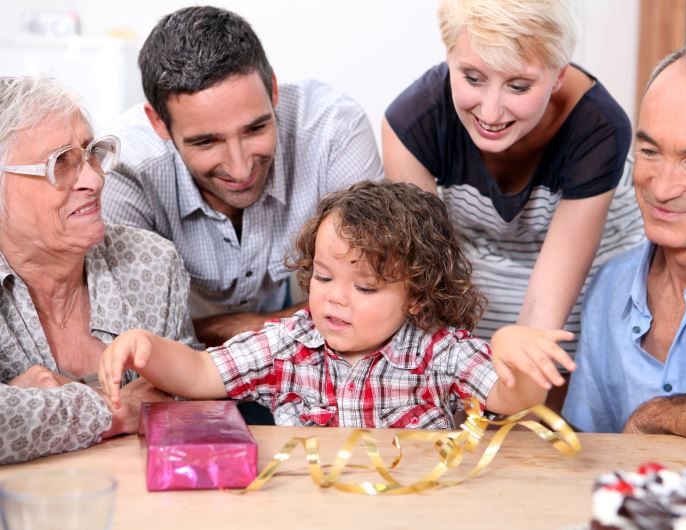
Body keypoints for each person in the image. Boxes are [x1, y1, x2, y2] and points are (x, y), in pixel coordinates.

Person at [99, 181, 570, 427]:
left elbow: (510, 400)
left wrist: (513, 351)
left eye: (365, 288)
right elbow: (200, 375)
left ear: (416, 296)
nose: (335, 297)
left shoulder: (439, 353)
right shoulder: (289, 343)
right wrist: (147, 348)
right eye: (323, 276)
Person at [382, 0, 644, 406]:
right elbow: (432, 290)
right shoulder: (412, 122)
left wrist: (516, 383)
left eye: (518, 87)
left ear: (558, 75)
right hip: (477, 270)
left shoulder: (600, 130)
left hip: (583, 275)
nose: (490, 111)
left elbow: (541, 325)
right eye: (472, 77)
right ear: (449, 57)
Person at [102, 6, 383, 348]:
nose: (240, 169)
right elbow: (136, 334)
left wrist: (246, 326)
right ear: (158, 123)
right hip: (179, 353)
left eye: (255, 128)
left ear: (273, 89)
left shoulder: (332, 130)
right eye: (206, 141)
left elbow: (375, 293)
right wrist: (218, 331)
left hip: (284, 338)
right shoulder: (125, 168)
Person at [562, 40, 686, 455]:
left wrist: (659, 417)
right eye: (649, 152)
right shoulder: (610, 286)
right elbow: (587, 450)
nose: (662, 188)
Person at [0, 76, 200, 464]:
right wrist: (114, 410)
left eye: (92, 153)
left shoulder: (152, 263)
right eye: (61, 163)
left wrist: (36, 404)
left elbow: (190, 401)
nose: (94, 179)